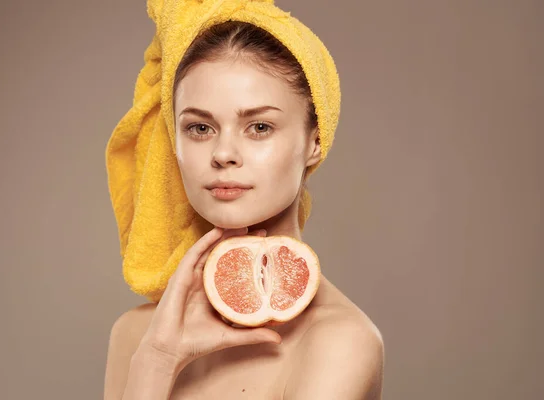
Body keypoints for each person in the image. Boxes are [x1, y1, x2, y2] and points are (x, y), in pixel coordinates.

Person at [104, 5, 383, 400]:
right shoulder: (136, 335)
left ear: (314, 142)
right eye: (200, 128)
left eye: (259, 127)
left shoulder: (340, 341)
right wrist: (157, 360)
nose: (223, 153)